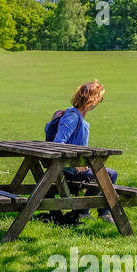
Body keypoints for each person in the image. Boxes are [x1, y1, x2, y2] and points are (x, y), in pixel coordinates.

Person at [51, 80, 117, 224]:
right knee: (109, 174)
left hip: (71, 167)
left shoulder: (77, 116)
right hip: (68, 170)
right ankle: (96, 212)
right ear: (91, 100)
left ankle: (84, 212)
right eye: (100, 98)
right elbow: (57, 144)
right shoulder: (72, 117)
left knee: (104, 174)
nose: (99, 102)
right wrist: (74, 164)